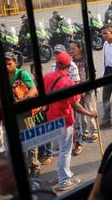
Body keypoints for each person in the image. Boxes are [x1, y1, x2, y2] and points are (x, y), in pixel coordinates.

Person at [44, 51, 98, 191]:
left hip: (50, 117)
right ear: (69, 66)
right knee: (65, 151)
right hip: (64, 120)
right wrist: (90, 113)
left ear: (56, 64)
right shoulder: (68, 82)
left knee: (62, 149)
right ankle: (64, 180)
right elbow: (76, 105)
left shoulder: (48, 76)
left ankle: (61, 173)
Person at [5, 52, 40, 176]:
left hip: (25, 113)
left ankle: (34, 165)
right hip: (13, 116)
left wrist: (20, 102)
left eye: (9, 62)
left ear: (15, 62)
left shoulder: (22, 74)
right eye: (5, 62)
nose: (7, 65)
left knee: (30, 139)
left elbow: (33, 90)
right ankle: (24, 166)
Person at [70, 40, 98, 144]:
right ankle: (85, 130)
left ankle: (94, 131)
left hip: (87, 90)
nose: (72, 51)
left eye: (74, 48)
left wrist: (84, 89)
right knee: (81, 112)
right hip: (76, 91)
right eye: (71, 49)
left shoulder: (86, 59)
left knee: (90, 109)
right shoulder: (71, 61)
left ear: (80, 48)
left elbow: (91, 75)